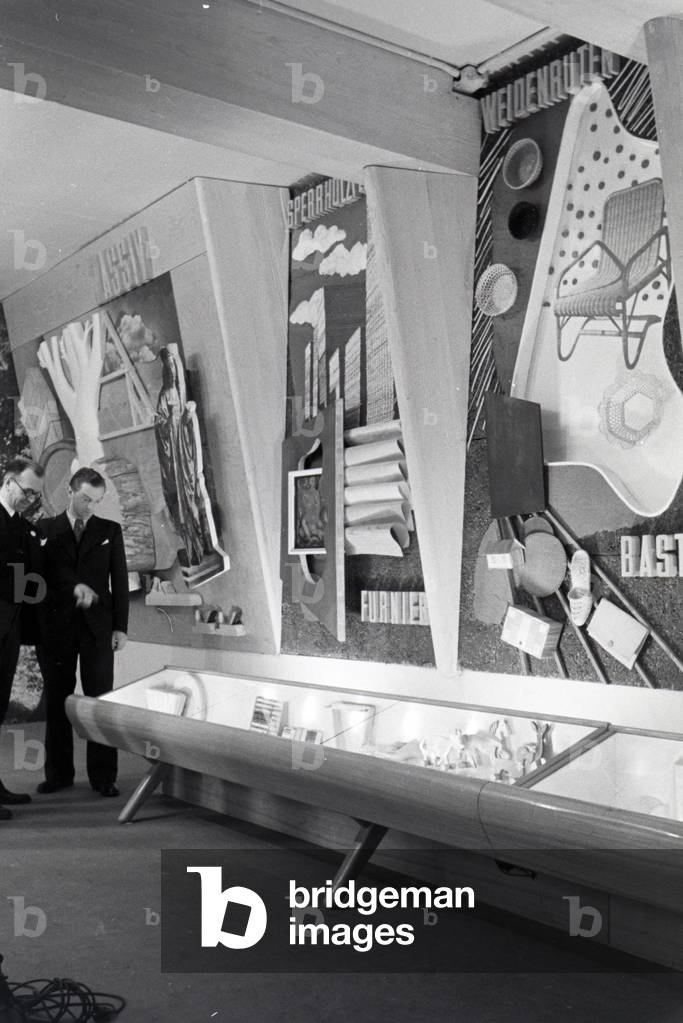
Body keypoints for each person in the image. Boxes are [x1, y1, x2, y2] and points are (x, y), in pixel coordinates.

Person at [35, 467, 128, 798]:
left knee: (99, 703)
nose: (91, 506)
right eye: (87, 499)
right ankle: (58, 774)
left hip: (98, 630)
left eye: (97, 501)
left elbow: (119, 581)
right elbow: (40, 578)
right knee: (58, 702)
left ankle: (104, 776)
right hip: (55, 629)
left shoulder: (110, 531)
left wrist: (121, 627)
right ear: (71, 492)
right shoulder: (45, 529)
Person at [0, 456, 45, 820]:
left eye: (35, 495)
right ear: (9, 481)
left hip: (10, 628)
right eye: (27, 491)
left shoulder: (21, 526)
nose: (30, 499)